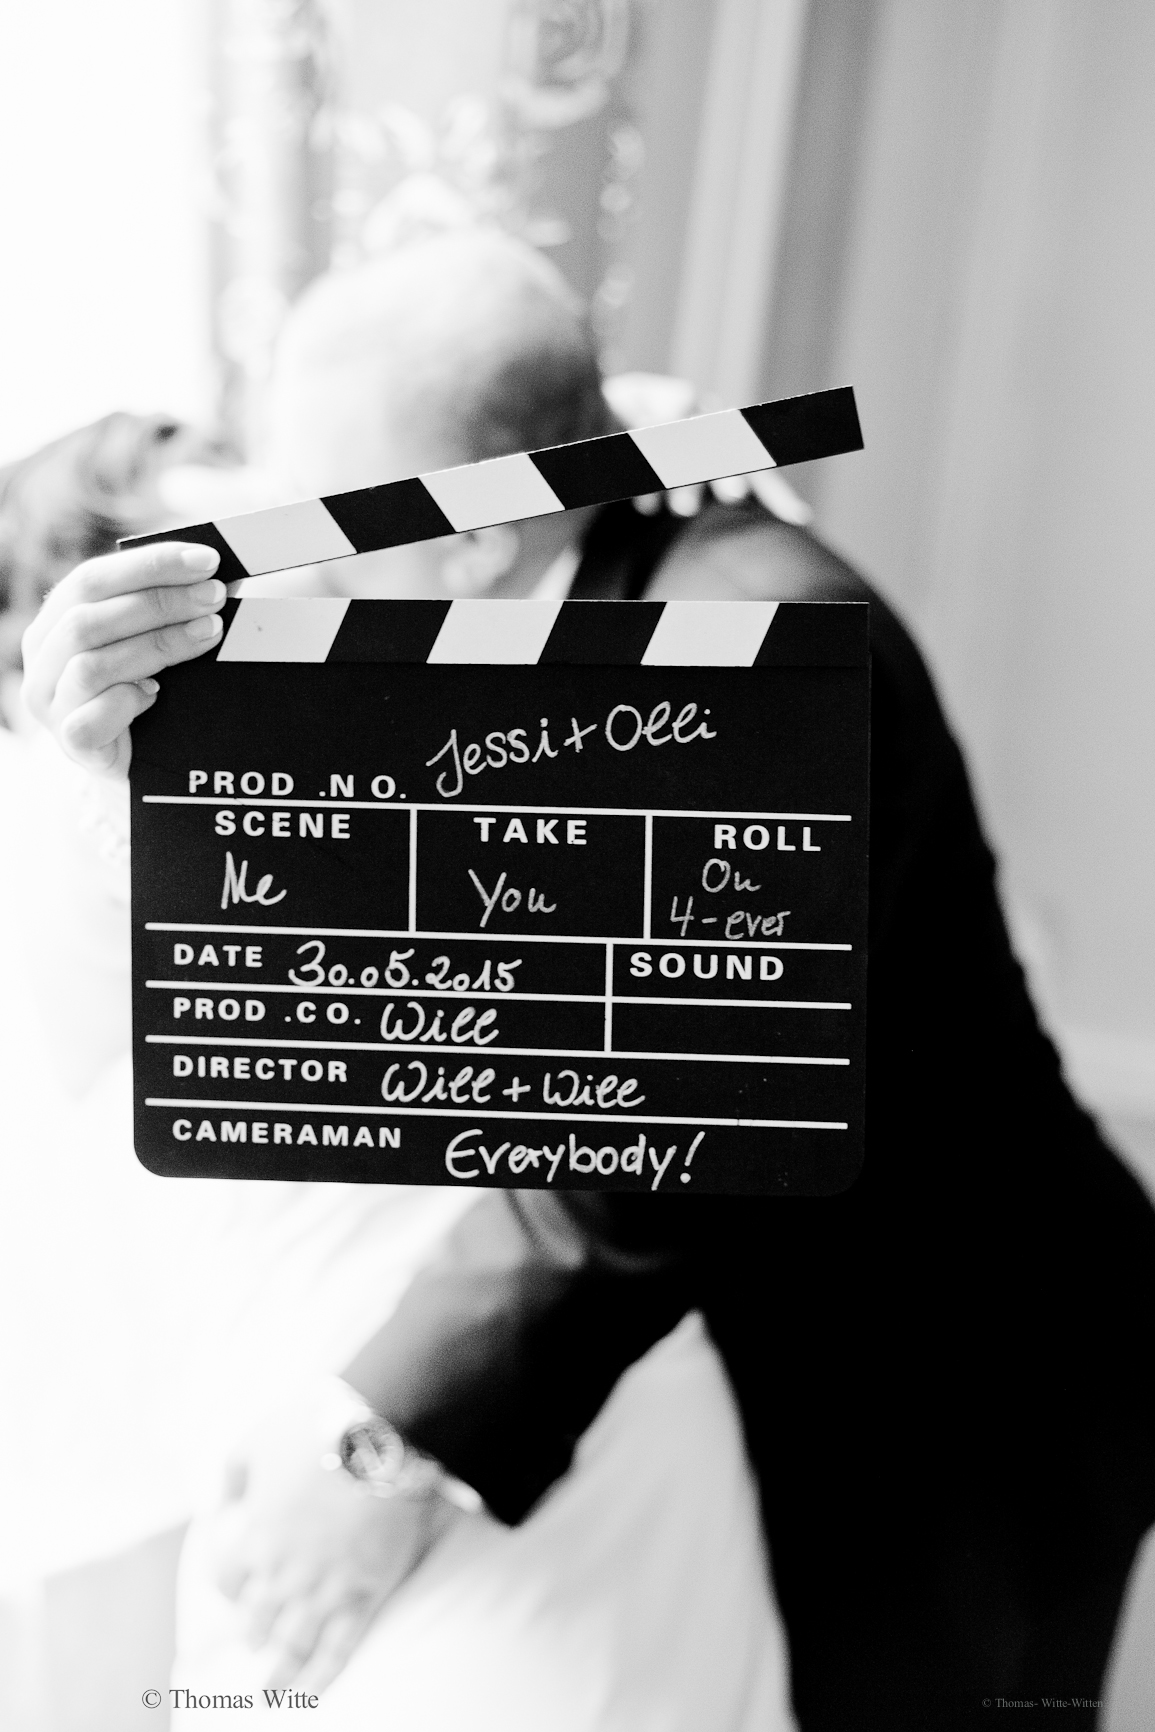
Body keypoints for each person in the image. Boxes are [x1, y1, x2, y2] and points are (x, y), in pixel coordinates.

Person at [23, 225, 1155, 1728]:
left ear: (478, 531)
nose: (302, 567)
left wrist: (382, 1444)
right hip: (755, 1345)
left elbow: (653, 1130)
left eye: (327, 527)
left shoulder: (755, 644)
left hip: (956, 1377)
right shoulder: (522, 577)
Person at [20, 228, 797, 1731]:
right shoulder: (142, 774)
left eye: (300, 514)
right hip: (335, 1378)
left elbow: (669, 1108)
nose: (272, 558)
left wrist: (616, 443)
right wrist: (99, 771)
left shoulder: (695, 635)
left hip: (557, 1380)